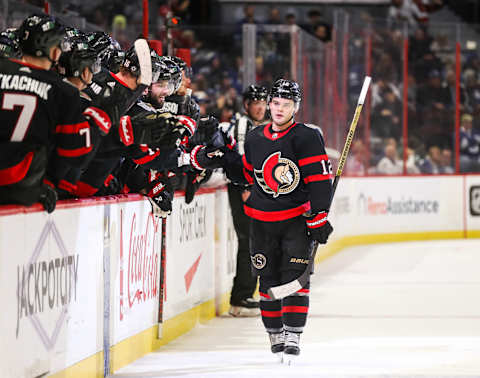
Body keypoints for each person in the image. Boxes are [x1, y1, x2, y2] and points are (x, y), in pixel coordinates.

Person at [191, 79, 334, 363]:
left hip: (295, 221)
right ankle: (275, 333)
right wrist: (221, 155)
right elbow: (246, 173)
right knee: (267, 280)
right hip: (261, 222)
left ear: (296, 107)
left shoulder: (306, 137)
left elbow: (319, 181)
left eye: (287, 104)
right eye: (277, 103)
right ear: (269, 104)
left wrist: (318, 216)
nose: (280, 109)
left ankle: (293, 333)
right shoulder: (256, 137)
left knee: (294, 280)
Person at [0, 14, 110, 212]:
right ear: (50, 47)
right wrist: (95, 126)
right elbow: (76, 153)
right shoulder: (62, 90)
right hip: (23, 188)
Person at [226, 85, 268, 317]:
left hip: (256, 190)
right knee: (249, 240)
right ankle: (240, 297)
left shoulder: (263, 127)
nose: (260, 107)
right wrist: (246, 186)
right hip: (244, 190)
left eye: (263, 103)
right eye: (256, 103)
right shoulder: (242, 125)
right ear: (246, 105)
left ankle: (246, 294)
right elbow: (240, 159)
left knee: (256, 241)